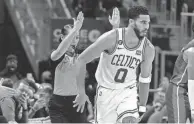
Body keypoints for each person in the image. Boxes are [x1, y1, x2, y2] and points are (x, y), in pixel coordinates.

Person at [74, 6, 155, 123]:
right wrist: (81, 93)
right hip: (106, 92)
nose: (146, 26)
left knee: (130, 120)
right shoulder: (111, 38)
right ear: (131, 22)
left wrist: (142, 107)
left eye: (148, 23)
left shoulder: (148, 48)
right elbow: (81, 60)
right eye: (143, 22)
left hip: (128, 92)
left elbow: (145, 79)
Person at [166, 38, 194, 123]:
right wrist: (193, 109)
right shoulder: (191, 51)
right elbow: (191, 82)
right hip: (178, 91)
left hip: (187, 93)